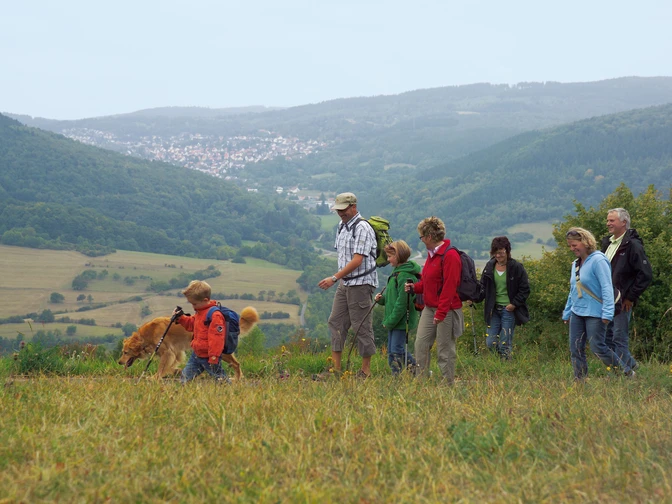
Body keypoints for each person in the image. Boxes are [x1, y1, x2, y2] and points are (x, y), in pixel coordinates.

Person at [318, 192, 378, 378]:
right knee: (335, 322)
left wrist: (334, 278)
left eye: (343, 209)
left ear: (353, 207)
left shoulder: (362, 228)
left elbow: (357, 260)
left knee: (361, 326)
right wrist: (340, 279)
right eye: (338, 210)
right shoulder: (342, 226)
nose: (340, 213)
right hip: (346, 283)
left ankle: (365, 372)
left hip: (360, 284)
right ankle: (335, 370)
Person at [562, 227, 635, 380]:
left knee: (598, 347)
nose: (572, 248)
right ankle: (580, 380)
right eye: (570, 245)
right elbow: (573, 289)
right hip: (577, 311)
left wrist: (607, 312)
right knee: (575, 348)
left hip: (595, 312)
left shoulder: (598, 260)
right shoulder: (575, 264)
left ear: (585, 242)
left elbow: (607, 287)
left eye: (574, 245)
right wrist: (567, 311)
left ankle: (626, 373)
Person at [405, 216, 464, 383]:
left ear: (429, 237)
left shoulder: (450, 256)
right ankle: (421, 381)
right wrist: (415, 288)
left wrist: (442, 312)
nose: (422, 240)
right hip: (430, 308)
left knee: (444, 350)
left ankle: (447, 384)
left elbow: (449, 287)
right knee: (420, 344)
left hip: (446, 310)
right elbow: (428, 282)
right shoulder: (433, 255)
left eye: (422, 237)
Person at [601, 208, 652, 371]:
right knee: (605, 338)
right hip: (606, 300)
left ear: (624, 223)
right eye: (608, 220)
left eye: (612, 221)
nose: (608, 223)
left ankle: (626, 373)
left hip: (622, 301)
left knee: (618, 337)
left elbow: (645, 274)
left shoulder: (633, 245)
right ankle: (627, 368)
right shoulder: (607, 243)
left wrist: (630, 297)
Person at [472, 236, 530, 360]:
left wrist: (513, 304)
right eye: (496, 253)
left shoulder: (516, 267)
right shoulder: (489, 266)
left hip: (509, 310)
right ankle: (499, 362)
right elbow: (483, 287)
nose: (498, 256)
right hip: (493, 310)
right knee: (490, 343)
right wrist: (474, 298)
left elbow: (525, 289)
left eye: (501, 252)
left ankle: (506, 368)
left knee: (505, 343)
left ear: (507, 251)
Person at [374, 240, 421, 375]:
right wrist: (381, 300)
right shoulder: (397, 273)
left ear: (399, 256)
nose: (388, 259)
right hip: (394, 320)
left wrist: (390, 321)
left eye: (390, 256)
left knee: (396, 350)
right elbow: (392, 299)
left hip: (400, 321)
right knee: (393, 350)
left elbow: (402, 303)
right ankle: (412, 373)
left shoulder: (404, 276)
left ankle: (408, 374)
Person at [173, 280, 230, 384]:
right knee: (185, 377)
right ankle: (179, 393)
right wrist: (180, 318)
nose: (193, 306)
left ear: (205, 300)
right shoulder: (200, 312)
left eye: (194, 304)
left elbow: (217, 338)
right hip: (196, 354)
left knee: (220, 379)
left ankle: (230, 393)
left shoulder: (214, 315)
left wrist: (214, 357)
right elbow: (191, 325)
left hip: (209, 356)